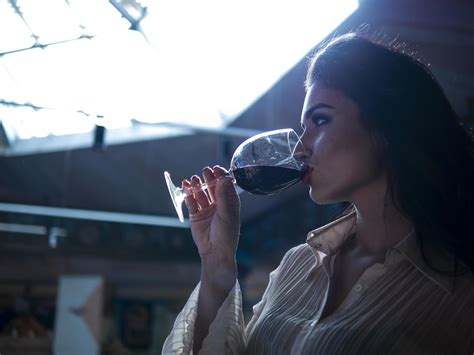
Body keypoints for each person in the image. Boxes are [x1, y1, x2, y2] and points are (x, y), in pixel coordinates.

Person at [162, 32, 474, 354]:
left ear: (384, 127)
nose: (298, 150)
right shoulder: (297, 265)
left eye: (320, 120)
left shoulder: (458, 290)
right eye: (303, 128)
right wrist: (217, 260)